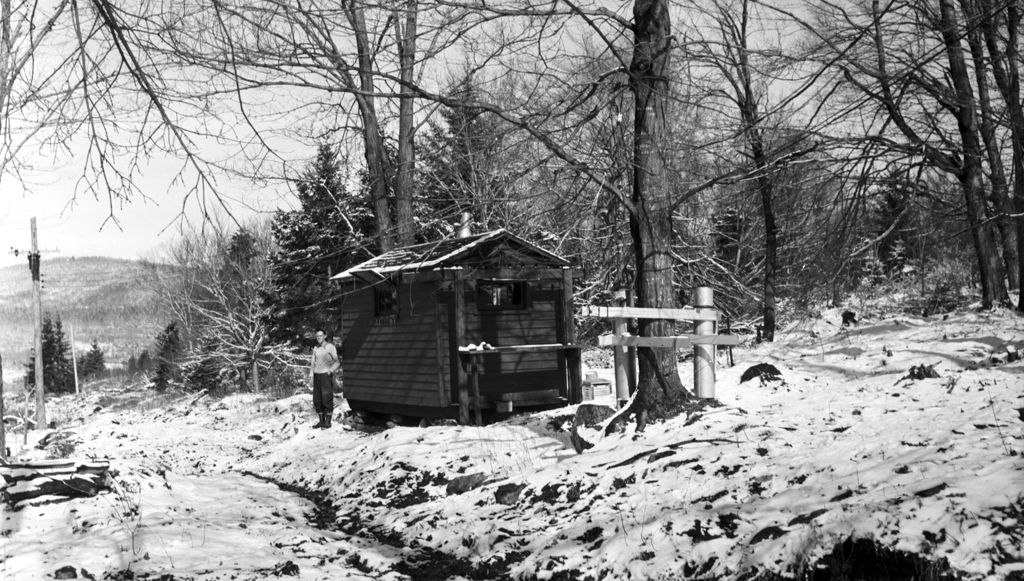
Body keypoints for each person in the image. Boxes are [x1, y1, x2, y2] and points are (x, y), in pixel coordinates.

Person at [310, 328, 340, 429]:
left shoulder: (330, 347)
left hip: (325, 375)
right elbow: (313, 363)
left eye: (320, 335)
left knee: (326, 398)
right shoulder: (316, 348)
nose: (319, 338)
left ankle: (328, 422)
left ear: (325, 336)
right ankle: (321, 421)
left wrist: (330, 370)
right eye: (317, 336)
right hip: (317, 376)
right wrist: (311, 374)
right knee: (317, 399)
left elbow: (337, 362)